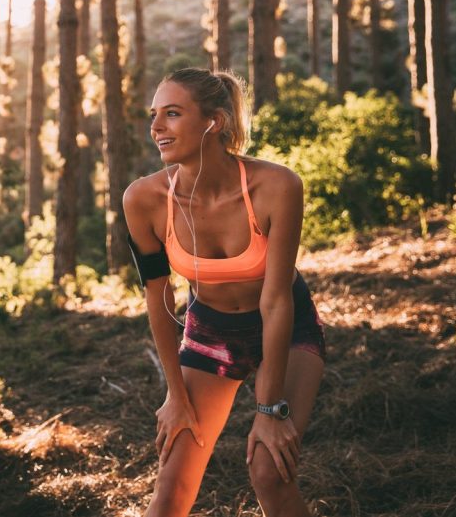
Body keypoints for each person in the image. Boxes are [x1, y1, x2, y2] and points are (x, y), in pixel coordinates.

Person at [122, 67, 326, 517]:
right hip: (209, 332)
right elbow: (158, 300)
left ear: (213, 121)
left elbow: (276, 301)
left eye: (172, 114)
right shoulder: (143, 199)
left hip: (285, 329)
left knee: (269, 473)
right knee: (170, 492)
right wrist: (175, 395)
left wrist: (270, 409)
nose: (156, 127)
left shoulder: (277, 186)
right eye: (154, 114)